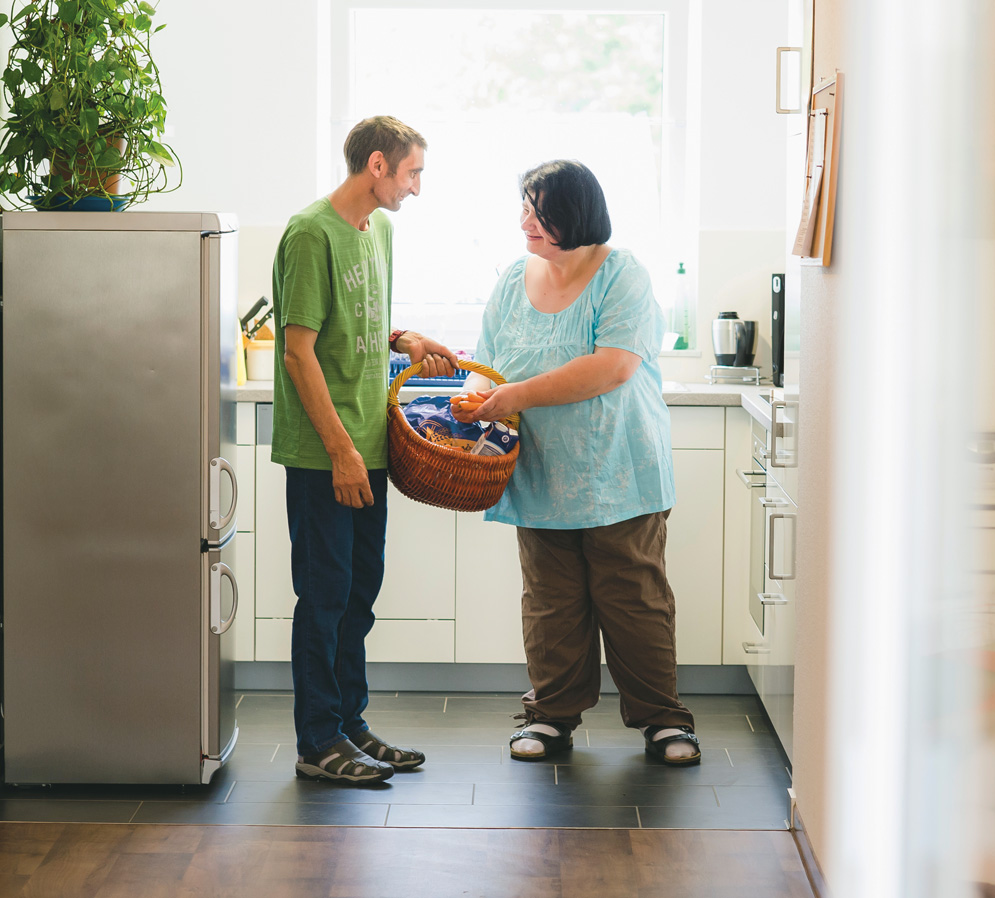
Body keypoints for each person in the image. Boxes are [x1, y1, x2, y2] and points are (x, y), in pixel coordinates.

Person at [452, 159, 700, 765]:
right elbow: (489, 364)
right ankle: (550, 717)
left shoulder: (622, 275)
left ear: (576, 212)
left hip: (619, 468)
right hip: (542, 471)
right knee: (551, 601)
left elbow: (612, 366)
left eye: (539, 210)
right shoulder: (514, 280)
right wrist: (478, 396)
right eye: (525, 207)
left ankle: (664, 721)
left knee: (633, 598)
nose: (525, 221)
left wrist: (511, 396)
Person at [271, 115, 457, 784]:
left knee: (360, 593)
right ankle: (316, 742)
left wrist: (404, 339)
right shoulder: (308, 234)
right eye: (412, 174)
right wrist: (341, 451)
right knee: (323, 596)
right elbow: (298, 351)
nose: (416, 188)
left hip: (370, 444)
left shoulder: (379, 229)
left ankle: (349, 725)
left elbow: (356, 325)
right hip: (327, 452)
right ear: (377, 166)